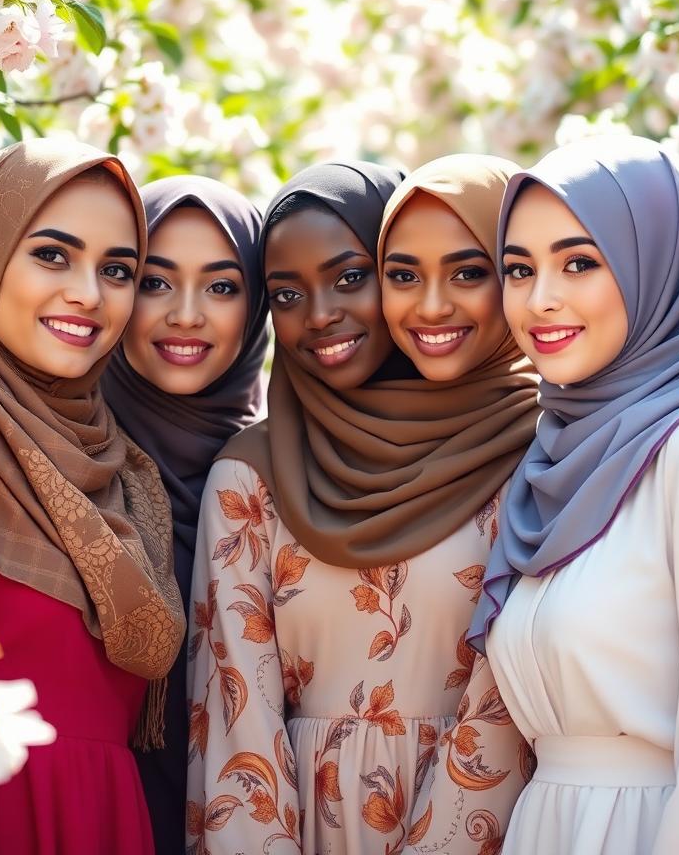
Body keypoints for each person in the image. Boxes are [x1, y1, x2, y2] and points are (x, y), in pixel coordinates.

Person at [186, 158, 538, 855]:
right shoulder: (250, 474)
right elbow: (234, 719)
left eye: (353, 277)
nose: (320, 316)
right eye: (285, 295)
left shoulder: (528, 448)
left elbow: (503, 708)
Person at [471, 136, 679, 854]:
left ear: (657, 264)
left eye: (580, 263)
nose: (541, 299)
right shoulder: (551, 457)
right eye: (518, 268)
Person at [0, 140, 184, 855]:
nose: (90, 294)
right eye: (53, 255)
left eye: (117, 270)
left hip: (102, 819)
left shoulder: (116, 462)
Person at [102, 176, 269, 855]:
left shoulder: (287, 477)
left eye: (222, 286)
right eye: (154, 281)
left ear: (258, 304)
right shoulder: (62, 457)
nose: (187, 315)